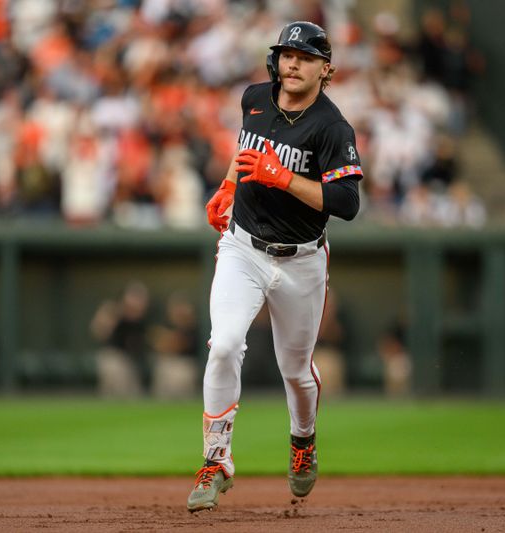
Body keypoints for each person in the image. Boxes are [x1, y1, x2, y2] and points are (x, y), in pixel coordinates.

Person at [187, 21, 363, 512]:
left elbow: (347, 202)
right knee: (223, 345)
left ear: (325, 69)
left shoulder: (332, 127)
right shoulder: (255, 98)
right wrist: (228, 185)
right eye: (287, 53)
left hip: (301, 260)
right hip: (243, 246)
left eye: (305, 57)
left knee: (296, 371)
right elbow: (244, 152)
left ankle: (303, 441)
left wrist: (283, 179)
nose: (292, 62)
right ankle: (216, 460)